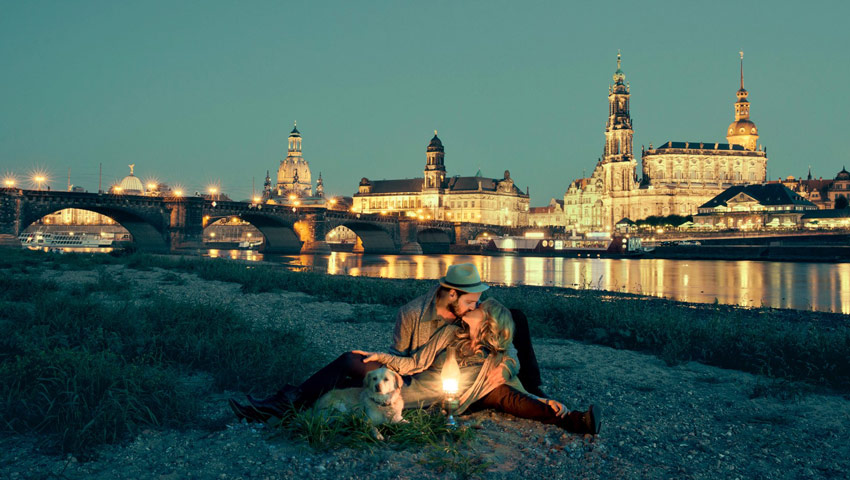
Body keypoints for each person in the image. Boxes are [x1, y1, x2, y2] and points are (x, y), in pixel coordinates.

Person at [229, 263, 598, 433]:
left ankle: (561, 411)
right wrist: (384, 366)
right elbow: (408, 360)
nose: (474, 305)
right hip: (418, 377)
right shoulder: (411, 315)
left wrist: (512, 367)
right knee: (349, 362)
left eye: (477, 304)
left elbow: (505, 341)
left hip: (471, 379)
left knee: (509, 393)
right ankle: (281, 404)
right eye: (471, 301)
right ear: (451, 295)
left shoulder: (476, 319)